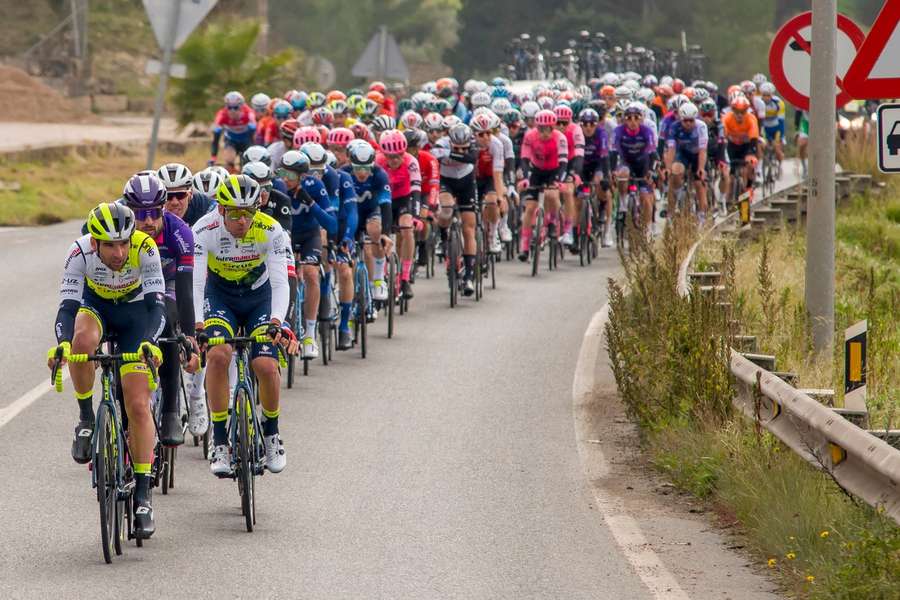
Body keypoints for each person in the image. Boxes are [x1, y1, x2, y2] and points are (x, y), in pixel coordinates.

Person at [49, 202, 166, 538]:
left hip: (135, 317)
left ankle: (143, 494)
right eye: (111, 245)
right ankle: (86, 419)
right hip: (96, 308)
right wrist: (62, 344)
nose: (119, 252)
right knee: (81, 341)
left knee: (139, 404)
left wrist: (149, 342)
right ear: (94, 242)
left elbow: (157, 304)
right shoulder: (79, 252)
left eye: (123, 243)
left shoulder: (145, 248)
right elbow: (68, 307)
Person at [192, 174, 293, 477]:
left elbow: (280, 281)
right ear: (220, 209)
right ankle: (220, 439)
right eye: (234, 213)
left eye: (248, 213)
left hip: (259, 298)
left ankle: (272, 433)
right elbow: (196, 284)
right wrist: (198, 325)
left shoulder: (270, 229)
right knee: (218, 355)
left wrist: (277, 322)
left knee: (264, 364)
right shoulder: (203, 229)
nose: (241, 220)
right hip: (220, 296)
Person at [518, 109, 568, 262]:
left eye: (548, 129)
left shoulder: (560, 138)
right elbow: (525, 159)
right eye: (541, 129)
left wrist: (559, 179)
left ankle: (554, 220)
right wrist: (525, 178)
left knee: (552, 195)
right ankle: (524, 245)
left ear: (553, 127)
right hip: (536, 170)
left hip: (554, 170)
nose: (544, 133)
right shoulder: (530, 136)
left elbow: (564, 162)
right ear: (536, 127)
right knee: (530, 207)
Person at [665, 102, 709, 221]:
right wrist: (668, 168)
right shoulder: (674, 127)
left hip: (697, 155)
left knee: (700, 183)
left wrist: (701, 168)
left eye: (691, 120)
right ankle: (672, 207)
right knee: (675, 172)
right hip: (682, 153)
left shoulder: (701, 126)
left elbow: (703, 150)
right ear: (680, 119)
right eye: (685, 121)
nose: (688, 123)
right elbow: (671, 149)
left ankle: (702, 215)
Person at [211, 91, 257, 172]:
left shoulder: (248, 113)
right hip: (231, 140)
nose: (232, 111)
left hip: (246, 141)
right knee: (229, 160)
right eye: (229, 107)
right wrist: (213, 157)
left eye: (235, 108)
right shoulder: (222, 114)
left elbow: (256, 133)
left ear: (241, 107)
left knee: (246, 165)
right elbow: (215, 138)